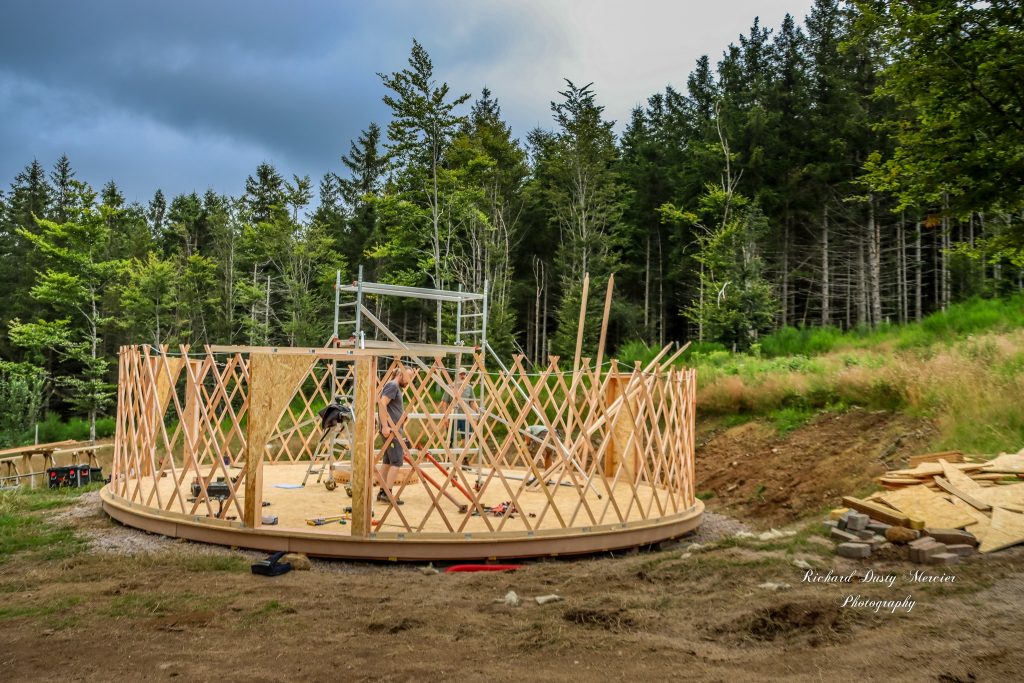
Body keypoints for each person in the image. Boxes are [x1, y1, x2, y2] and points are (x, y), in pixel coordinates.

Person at [376, 364, 416, 504]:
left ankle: (382, 491)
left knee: (388, 461)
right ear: (401, 374)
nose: (409, 381)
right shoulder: (393, 385)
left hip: (394, 429)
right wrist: (385, 427)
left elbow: (390, 406)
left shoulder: (393, 386)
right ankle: (388, 493)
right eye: (409, 377)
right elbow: (382, 404)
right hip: (391, 431)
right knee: (397, 461)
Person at [439, 367, 477, 446]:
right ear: (457, 376)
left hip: (465, 417)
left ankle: (465, 457)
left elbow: (472, 402)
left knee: (466, 437)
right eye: (460, 374)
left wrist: (473, 416)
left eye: (464, 374)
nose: (463, 376)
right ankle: (450, 457)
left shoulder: (469, 388)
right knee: (451, 437)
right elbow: (444, 403)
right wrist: (445, 417)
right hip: (452, 417)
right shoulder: (450, 387)